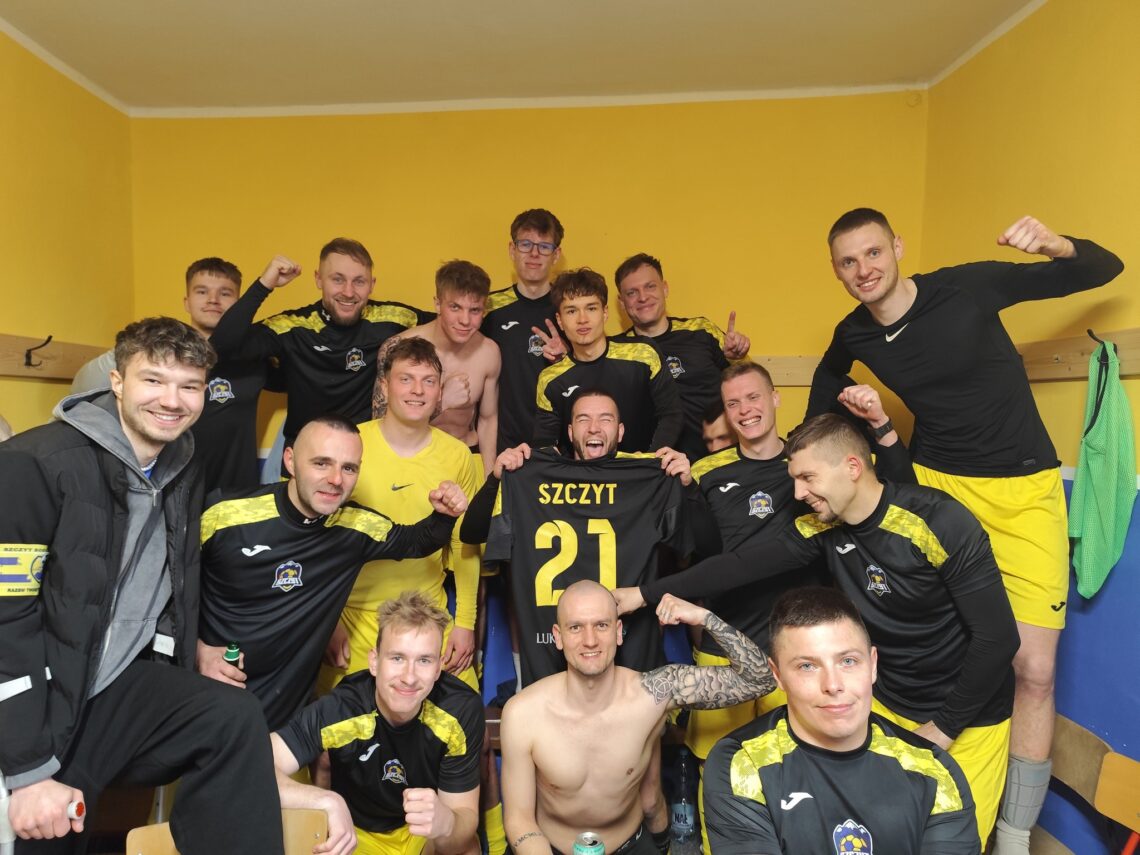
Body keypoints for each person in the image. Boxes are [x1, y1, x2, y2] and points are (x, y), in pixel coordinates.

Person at [807, 210, 1124, 854]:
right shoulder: (854, 332)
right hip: (937, 489)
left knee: (1033, 668)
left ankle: (1013, 835)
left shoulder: (965, 287)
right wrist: (811, 447)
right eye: (848, 261)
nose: (864, 269)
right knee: (946, 646)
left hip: (1024, 490)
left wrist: (1058, 245)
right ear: (836, 271)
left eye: (874, 252)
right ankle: (918, 803)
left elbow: (1104, 268)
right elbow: (825, 380)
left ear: (897, 247)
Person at [618, 414, 1019, 843]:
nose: (797, 493)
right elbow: (740, 565)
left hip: (966, 715)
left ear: (853, 467)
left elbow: (999, 639)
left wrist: (942, 729)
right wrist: (644, 594)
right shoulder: (822, 526)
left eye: (807, 477)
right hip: (884, 701)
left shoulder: (940, 522)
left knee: (949, 841)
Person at [0, 317, 284, 853]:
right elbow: (5, 623)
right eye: (153, 380)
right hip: (39, 697)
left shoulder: (182, 462)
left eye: (190, 386)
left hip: (110, 683)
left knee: (232, 717)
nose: (172, 401)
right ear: (117, 381)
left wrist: (192, 647)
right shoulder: (33, 464)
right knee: (46, 833)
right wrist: (29, 771)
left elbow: (167, 582)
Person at [196, 414, 468, 729]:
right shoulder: (223, 514)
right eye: (321, 463)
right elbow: (166, 589)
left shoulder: (355, 525)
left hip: (283, 719)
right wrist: (197, 651)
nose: (336, 479)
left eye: (349, 468)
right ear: (290, 461)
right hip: (208, 703)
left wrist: (444, 515)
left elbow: (416, 541)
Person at [500, 582, 775, 855]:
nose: (590, 640)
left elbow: (760, 679)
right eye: (575, 627)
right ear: (558, 637)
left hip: (630, 845)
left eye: (601, 625)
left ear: (618, 632)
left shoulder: (652, 694)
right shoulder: (523, 713)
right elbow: (519, 819)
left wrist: (704, 617)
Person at [703, 586, 979, 855]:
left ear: (872, 665)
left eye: (848, 661)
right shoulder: (743, 762)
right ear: (778, 676)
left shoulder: (933, 770)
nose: (833, 685)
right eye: (807, 666)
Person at [462, 391, 697, 685]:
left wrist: (688, 487)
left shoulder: (650, 476)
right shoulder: (528, 473)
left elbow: (707, 548)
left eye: (605, 419)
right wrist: (497, 479)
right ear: (571, 432)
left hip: (629, 657)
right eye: (584, 419)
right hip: (553, 655)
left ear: (620, 431)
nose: (594, 428)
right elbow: (471, 533)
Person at [323, 338, 482, 694]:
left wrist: (465, 623)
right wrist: (328, 621)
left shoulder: (458, 455)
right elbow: (320, 539)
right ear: (384, 386)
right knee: (336, 723)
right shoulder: (351, 445)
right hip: (354, 618)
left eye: (428, 381)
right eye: (406, 379)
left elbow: (465, 545)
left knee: (467, 715)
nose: (417, 391)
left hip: (429, 617)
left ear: (439, 392)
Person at [273, 591, 484, 855]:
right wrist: (325, 800)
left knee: (466, 850)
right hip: (356, 834)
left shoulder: (459, 711)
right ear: (374, 662)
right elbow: (257, 765)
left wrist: (446, 824)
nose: (409, 677)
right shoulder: (342, 708)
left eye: (424, 660)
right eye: (397, 658)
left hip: (419, 834)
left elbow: (463, 822)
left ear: (438, 668)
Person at [209, 239, 431, 472]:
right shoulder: (293, 327)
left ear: (372, 284)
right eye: (337, 279)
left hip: (366, 463)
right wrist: (265, 284)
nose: (348, 292)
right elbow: (221, 347)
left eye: (359, 281)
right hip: (304, 462)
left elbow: (450, 325)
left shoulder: (392, 318)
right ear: (318, 279)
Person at [71, 257, 271, 492]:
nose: (213, 300)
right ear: (187, 302)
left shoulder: (256, 358)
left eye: (225, 293)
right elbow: (82, 388)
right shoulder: (153, 352)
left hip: (234, 491)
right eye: (202, 291)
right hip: (171, 487)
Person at [614, 253, 750, 460]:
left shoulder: (701, 330)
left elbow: (749, 381)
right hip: (655, 466)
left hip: (718, 462)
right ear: (622, 302)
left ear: (665, 288)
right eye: (632, 292)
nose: (642, 297)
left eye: (650, 286)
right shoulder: (616, 350)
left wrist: (738, 357)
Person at [533, 269, 683, 454]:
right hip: (583, 472)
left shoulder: (643, 353)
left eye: (591, 308)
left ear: (605, 313)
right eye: (571, 311)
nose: (582, 319)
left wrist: (649, 462)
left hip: (643, 469)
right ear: (560, 320)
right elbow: (544, 443)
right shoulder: (550, 379)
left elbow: (671, 414)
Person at [373, 260, 501, 475]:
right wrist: (443, 402)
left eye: (475, 310)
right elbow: (380, 421)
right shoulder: (398, 348)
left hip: (466, 456)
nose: (465, 320)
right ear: (437, 304)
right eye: (455, 307)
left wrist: (491, 479)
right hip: (412, 458)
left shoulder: (489, 352)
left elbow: (488, 420)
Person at [481, 208, 567, 453]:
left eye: (544, 246)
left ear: (556, 255)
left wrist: (566, 358)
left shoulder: (570, 308)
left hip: (561, 448)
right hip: (506, 447)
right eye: (526, 244)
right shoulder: (488, 308)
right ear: (512, 249)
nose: (534, 253)